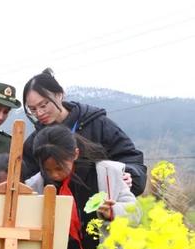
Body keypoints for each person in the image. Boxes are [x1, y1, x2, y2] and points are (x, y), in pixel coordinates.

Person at [21, 68, 147, 196]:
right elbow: (25, 177)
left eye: (43, 105)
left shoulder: (97, 124)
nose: (39, 113)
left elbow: (130, 157)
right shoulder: (36, 140)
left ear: (59, 94)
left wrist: (130, 174)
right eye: (33, 109)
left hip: (99, 209)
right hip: (57, 212)